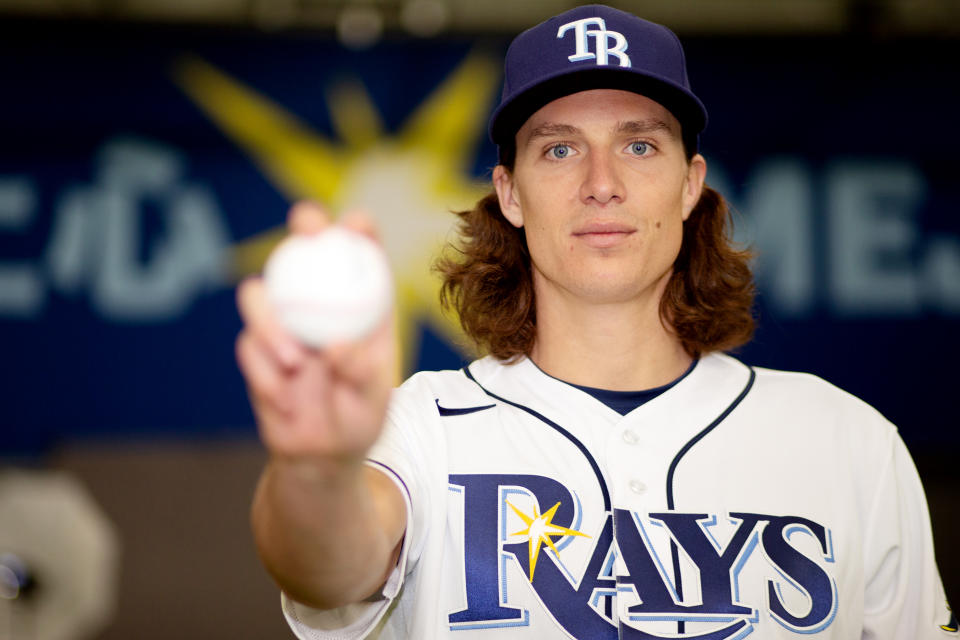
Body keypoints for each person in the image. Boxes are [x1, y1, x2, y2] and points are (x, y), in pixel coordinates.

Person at [236, 5, 954, 639]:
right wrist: (315, 470)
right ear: (510, 194)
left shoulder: (847, 440)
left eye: (639, 145)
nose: (601, 184)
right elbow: (327, 569)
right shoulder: (419, 426)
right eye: (559, 148)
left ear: (691, 185)